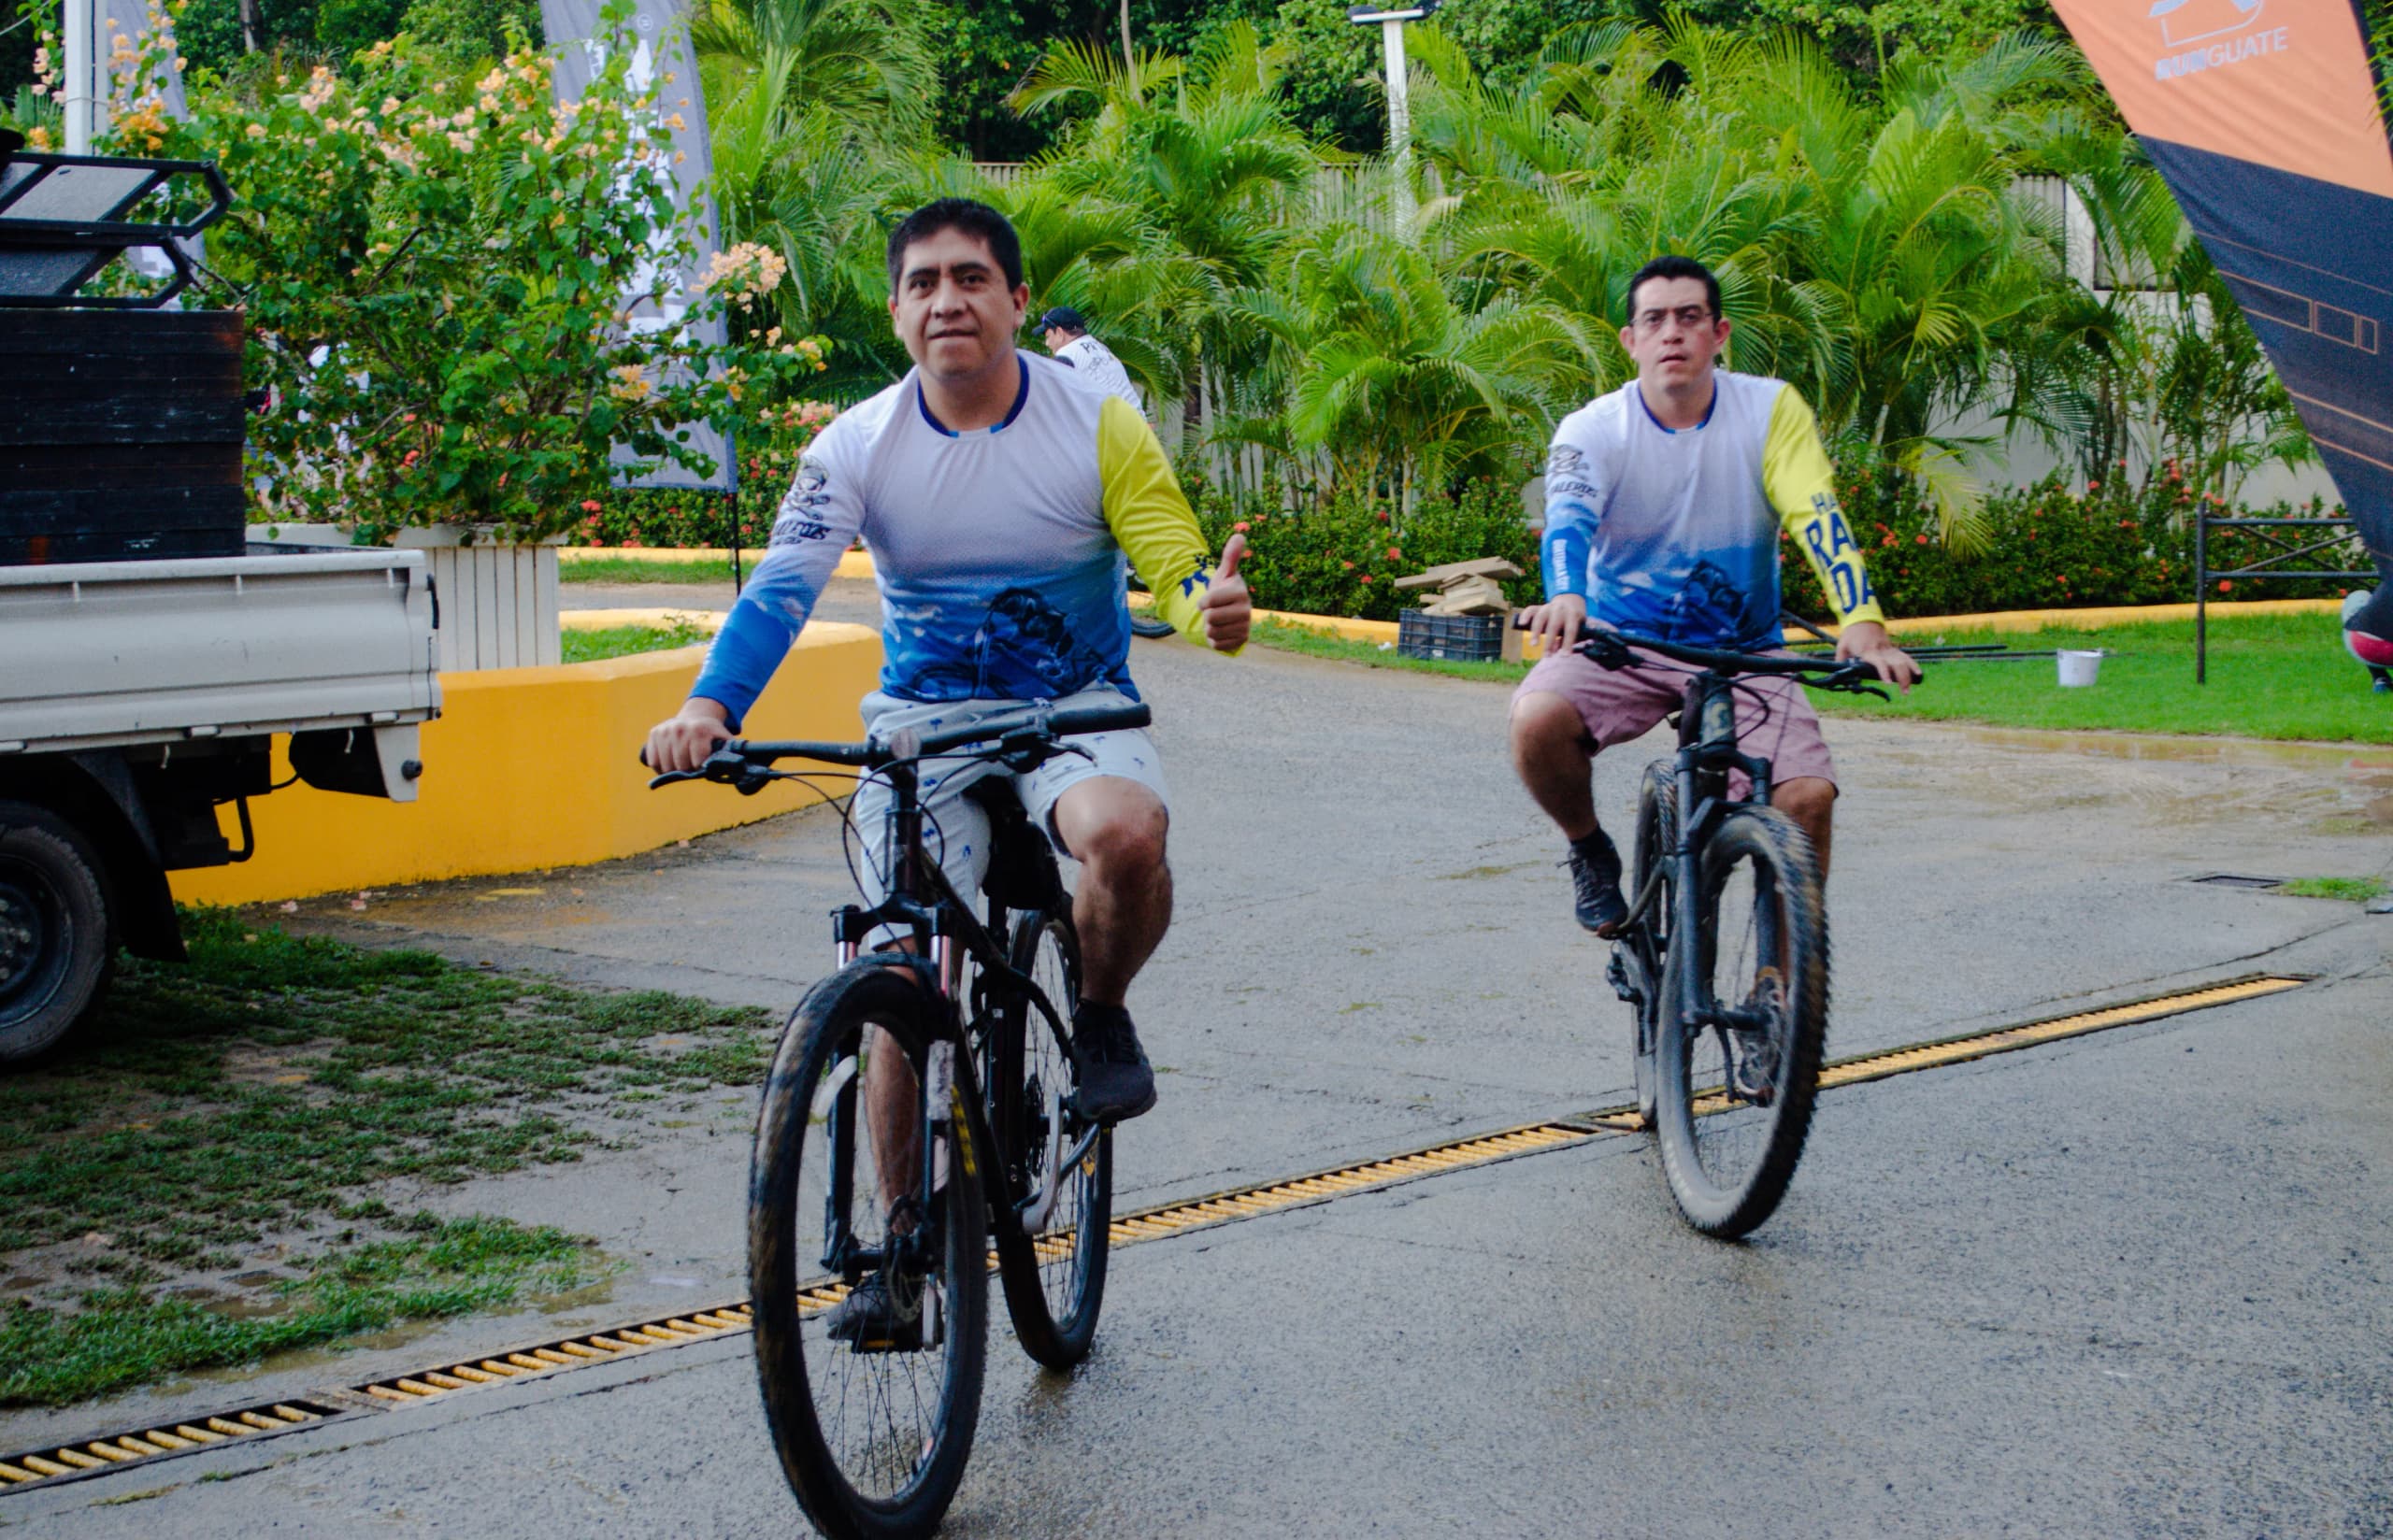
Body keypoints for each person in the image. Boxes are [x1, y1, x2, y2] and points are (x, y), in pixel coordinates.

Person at [645, 198, 1248, 1336]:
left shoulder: (1097, 420)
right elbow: (781, 591)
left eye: (971, 278)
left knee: (1125, 835)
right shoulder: (855, 445)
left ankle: (1105, 1012)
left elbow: (1166, 557)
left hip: (1073, 706)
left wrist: (1198, 604)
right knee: (895, 980)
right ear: (895, 312)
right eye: (922, 283)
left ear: (1017, 301)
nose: (946, 300)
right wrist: (707, 706)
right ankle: (901, 1255)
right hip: (922, 724)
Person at [1512, 255, 1920, 931]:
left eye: (1690, 317)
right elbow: (1567, 523)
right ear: (1631, 341)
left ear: (1719, 333)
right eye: (1655, 320)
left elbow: (1815, 513)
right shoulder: (1592, 428)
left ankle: (1786, 993)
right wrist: (1567, 596)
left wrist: (1862, 622)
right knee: (1535, 721)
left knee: (1809, 797)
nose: (1672, 333)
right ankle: (1586, 847)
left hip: (1745, 653)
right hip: (1622, 644)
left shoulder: (1768, 408)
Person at [1038, 306, 1143, 411]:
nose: (1047, 343)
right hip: (1137, 421)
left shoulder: (1066, 355)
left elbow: (1049, 399)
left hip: (1114, 423)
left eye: (1048, 337)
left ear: (1060, 333)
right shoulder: (1099, 347)